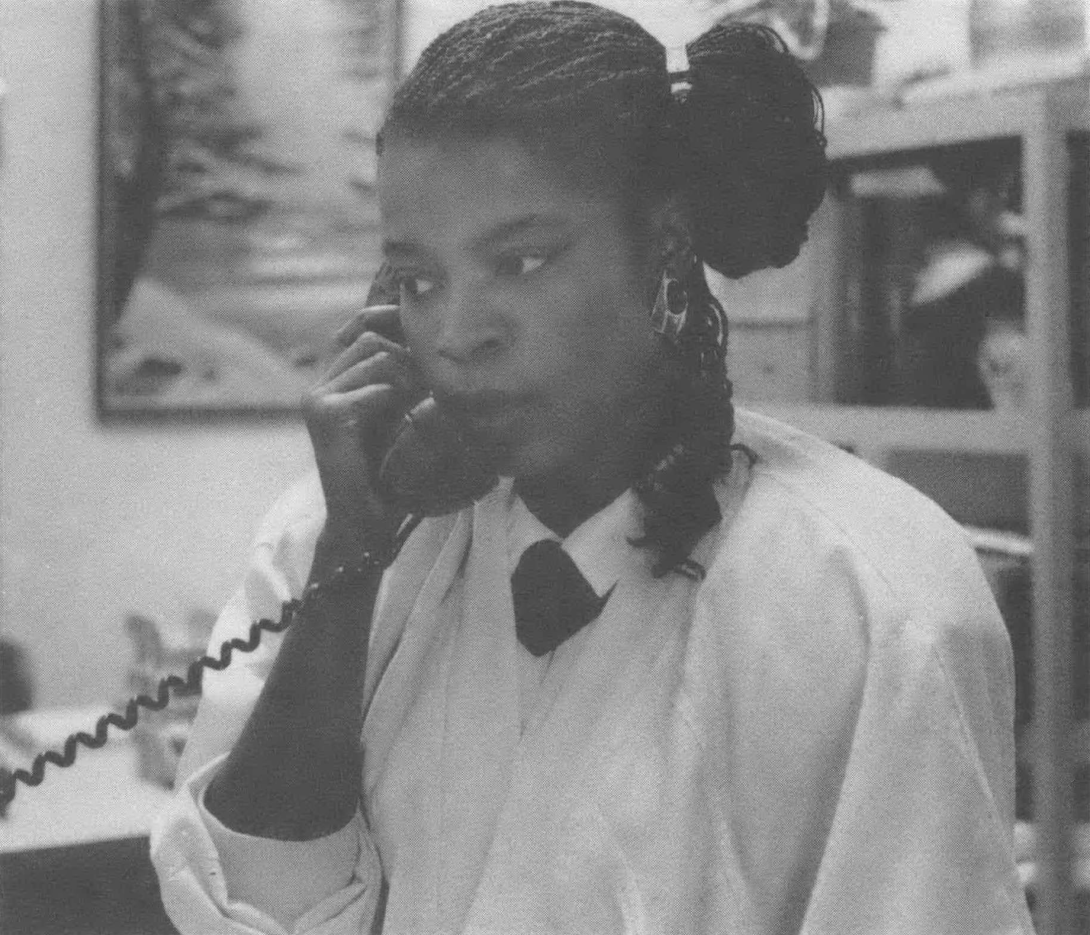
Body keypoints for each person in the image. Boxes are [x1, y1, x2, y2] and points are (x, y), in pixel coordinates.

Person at [150, 3, 1034, 933]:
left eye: (522, 261)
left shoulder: (875, 597)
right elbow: (240, 905)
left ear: (665, 246)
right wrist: (351, 566)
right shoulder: (337, 536)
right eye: (418, 280)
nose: (455, 335)